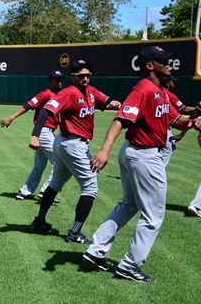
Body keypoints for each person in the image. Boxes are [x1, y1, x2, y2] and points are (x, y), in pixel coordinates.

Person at [84, 46, 201, 282]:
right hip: (144, 155)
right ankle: (129, 266)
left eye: (169, 59)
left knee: (129, 205)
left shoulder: (162, 91)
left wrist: (193, 121)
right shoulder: (144, 88)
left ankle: (96, 251)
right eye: (163, 61)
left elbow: (177, 121)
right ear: (150, 66)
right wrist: (104, 150)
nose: (169, 63)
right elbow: (121, 120)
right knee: (154, 216)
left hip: (138, 153)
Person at [30, 60, 121, 244]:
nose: (86, 78)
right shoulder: (68, 93)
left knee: (55, 183)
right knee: (90, 187)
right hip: (72, 144)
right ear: (73, 76)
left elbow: (107, 101)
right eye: (81, 75)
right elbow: (45, 112)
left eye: (88, 75)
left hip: (69, 144)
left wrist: (114, 104)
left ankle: (40, 220)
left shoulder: (91, 91)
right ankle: (75, 233)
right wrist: (35, 135)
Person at [1, 71, 64, 201]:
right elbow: (28, 105)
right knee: (59, 162)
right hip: (43, 131)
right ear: (51, 80)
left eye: (60, 79)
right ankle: (47, 191)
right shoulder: (46, 94)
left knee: (39, 165)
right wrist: (11, 118)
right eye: (56, 79)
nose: (59, 82)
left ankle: (25, 191)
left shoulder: (60, 96)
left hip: (47, 132)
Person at [160, 76, 196, 166]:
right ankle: (156, 174)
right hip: (163, 126)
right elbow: (184, 109)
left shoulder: (160, 92)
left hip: (161, 124)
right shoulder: (169, 95)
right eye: (173, 82)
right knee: (167, 150)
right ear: (168, 83)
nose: (174, 83)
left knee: (169, 146)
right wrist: (197, 109)